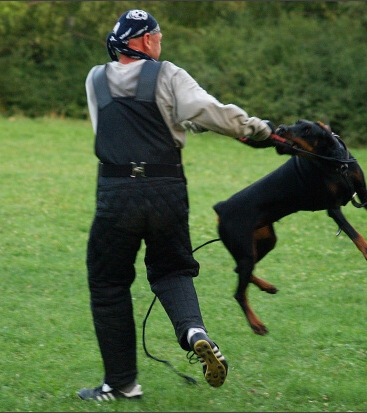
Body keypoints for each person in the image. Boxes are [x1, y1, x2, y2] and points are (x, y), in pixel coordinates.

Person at [78, 9, 276, 402]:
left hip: (115, 191)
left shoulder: (95, 79)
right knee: (172, 270)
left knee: (108, 283)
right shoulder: (168, 74)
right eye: (158, 34)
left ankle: (120, 384)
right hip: (166, 190)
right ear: (145, 40)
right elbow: (207, 111)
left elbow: (121, 125)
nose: (161, 39)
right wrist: (259, 131)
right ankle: (193, 333)